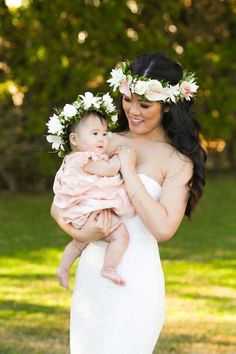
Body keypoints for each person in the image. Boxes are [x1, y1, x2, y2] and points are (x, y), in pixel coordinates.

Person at [51, 52, 206, 354]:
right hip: (93, 279)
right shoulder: (102, 140)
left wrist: (129, 172)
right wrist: (80, 234)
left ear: (168, 105)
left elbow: (162, 228)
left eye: (144, 104)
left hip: (134, 282)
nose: (133, 110)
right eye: (127, 99)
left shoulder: (177, 161)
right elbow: (59, 204)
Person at [46, 92, 135, 288]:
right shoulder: (84, 159)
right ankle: (109, 268)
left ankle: (63, 268)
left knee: (79, 242)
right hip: (91, 211)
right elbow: (109, 169)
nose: (102, 139)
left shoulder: (72, 159)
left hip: (82, 211)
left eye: (104, 134)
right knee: (120, 235)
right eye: (95, 134)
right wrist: (120, 159)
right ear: (74, 139)